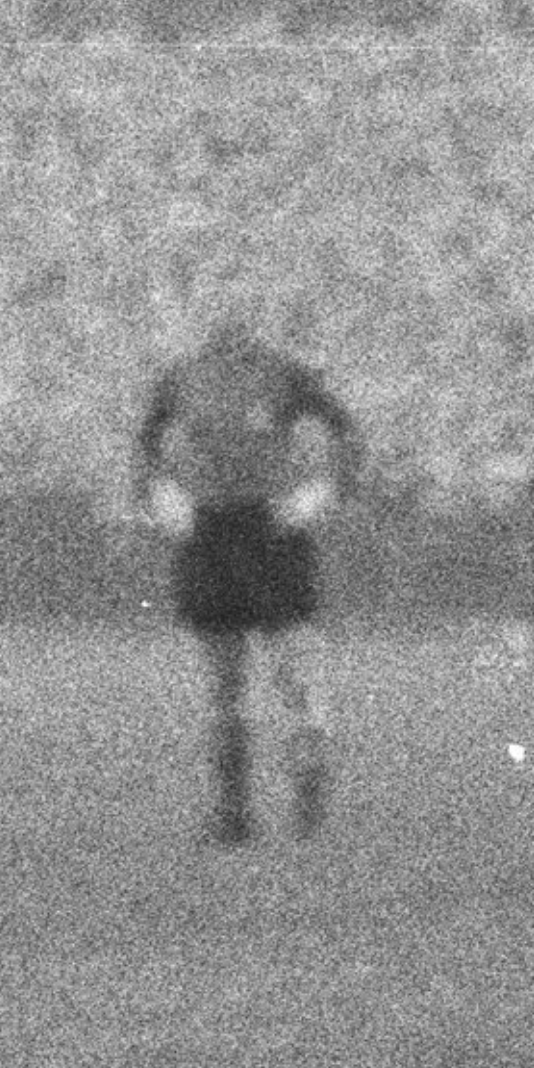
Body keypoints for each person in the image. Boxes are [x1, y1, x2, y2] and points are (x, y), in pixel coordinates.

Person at [138, 313, 359, 844]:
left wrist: (325, 492)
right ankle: (234, 815)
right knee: (224, 680)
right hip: (210, 532)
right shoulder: (181, 375)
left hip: (272, 530)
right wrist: (156, 495)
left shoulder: (285, 373)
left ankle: (309, 799)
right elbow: (145, 444)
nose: (227, 321)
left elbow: (344, 430)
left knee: (292, 673)